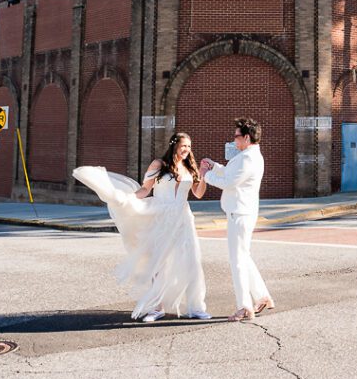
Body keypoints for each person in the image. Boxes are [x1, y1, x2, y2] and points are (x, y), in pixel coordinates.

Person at [72, 132, 209, 322]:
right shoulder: (158, 165)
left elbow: (198, 193)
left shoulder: (189, 167)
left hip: (184, 218)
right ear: (174, 145)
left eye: (189, 146)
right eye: (183, 146)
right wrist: (128, 200)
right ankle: (156, 308)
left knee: (192, 262)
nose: (187, 149)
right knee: (158, 263)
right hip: (161, 217)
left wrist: (202, 176)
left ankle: (196, 307)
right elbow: (145, 189)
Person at [200, 117, 274, 322]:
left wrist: (205, 175)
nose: (234, 140)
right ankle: (262, 296)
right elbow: (231, 174)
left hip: (239, 214)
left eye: (236, 136)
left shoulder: (247, 159)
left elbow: (229, 182)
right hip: (243, 212)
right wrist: (214, 166)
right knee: (244, 256)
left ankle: (244, 307)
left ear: (247, 137)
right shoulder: (249, 156)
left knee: (237, 261)